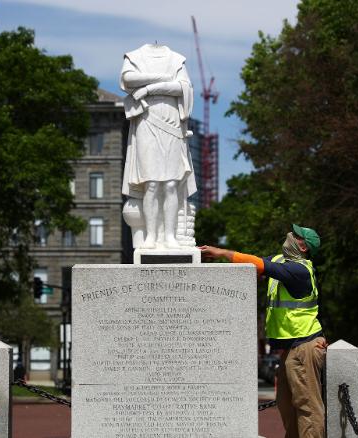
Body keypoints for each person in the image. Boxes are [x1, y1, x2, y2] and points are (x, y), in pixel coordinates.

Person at [200, 224, 327, 438]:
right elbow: (256, 265)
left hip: (304, 346)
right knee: (288, 406)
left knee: (308, 408)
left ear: (304, 247)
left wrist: (221, 252)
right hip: (291, 349)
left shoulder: (300, 270)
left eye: (295, 236)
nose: (289, 236)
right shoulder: (279, 260)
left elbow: (260, 264)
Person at [120, 43, 197, 249]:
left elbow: (183, 87)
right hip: (147, 119)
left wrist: (148, 88)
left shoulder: (177, 59)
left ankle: (169, 236)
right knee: (151, 184)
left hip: (172, 122)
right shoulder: (134, 55)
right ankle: (152, 236)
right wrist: (164, 79)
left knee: (171, 184)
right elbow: (128, 80)